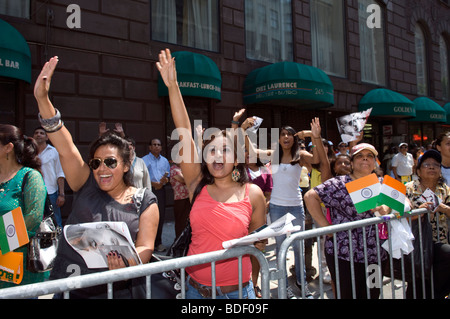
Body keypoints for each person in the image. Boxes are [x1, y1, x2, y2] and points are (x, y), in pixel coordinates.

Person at [33, 56, 159, 298]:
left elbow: (146, 246)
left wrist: (128, 264)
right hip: (71, 287)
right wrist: (42, 99)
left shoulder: (145, 201)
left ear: (125, 165)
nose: (102, 168)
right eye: (96, 162)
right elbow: (65, 145)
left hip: (118, 290)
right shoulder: (84, 182)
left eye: (110, 162)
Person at [157, 48, 266, 299]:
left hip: (238, 295)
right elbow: (183, 130)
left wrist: (260, 243)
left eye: (225, 150)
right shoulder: (197, 185)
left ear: (237, 159)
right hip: (195, 293)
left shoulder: (254, 194)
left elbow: (260, 241)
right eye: (212, 150)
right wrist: (173, 86)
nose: (217, 155)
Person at [244, 118, 325, 299]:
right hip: (277, 208)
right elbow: (251, 150)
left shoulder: (301, 155)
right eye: (283, 134)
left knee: (299, 248)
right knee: (281, 249)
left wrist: (314, 136)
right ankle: (284, 288)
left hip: (296, 207)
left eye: (289, 134)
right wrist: (244, 130)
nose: (286, 137)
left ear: (294, 138)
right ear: (279, 139)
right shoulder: (272, 155)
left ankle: (302, 284)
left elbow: (318, 159)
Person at [304, 143, 392, 299]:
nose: (365, 158)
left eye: (370, 156)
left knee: (372, 294)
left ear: (375, 162)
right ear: (352, 162)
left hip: (376, 254)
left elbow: (404, 202)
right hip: (344, 254)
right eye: (360, 156)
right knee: (348, 295)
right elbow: (310, 197)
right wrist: (327, 228)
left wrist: (387, 206)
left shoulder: (382, 183)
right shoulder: (338, 183)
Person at [0, 124, 48, 288]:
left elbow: (33, 219)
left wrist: (1, 242)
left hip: (18, 265)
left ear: (8, 148)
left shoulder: (30, 176)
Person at [404, 149, 450, 299]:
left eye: (436, 165)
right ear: (418, 170)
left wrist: (443, 208)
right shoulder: (408, 188)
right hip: (416, 242)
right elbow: (399, 215)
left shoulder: (445, 189)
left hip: (439, 241)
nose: (432, 167)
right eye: (427, 164)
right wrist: (419, 213)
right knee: (417, 283)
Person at [33, 127, 66, 227]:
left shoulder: (54, 152)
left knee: (55, 221)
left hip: (51, 192)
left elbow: (60, 173)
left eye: (42, 133)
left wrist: (61, 194)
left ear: (47, 137)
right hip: (34, 192)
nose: (38, 135)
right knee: (35, 221)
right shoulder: (30, 153)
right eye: (36, 133)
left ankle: (58, 242)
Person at [143, 138, 170, 252]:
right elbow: (143, 177)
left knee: (160, 216)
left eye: (159, 145)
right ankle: (147, 243)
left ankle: (158, 243)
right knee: (148, 217)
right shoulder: (144, 160)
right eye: (154, 144)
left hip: (161, 191)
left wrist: (164, 181)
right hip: (149, 191)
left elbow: (168, 178)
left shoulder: (165, 161)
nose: (156, 146)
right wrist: (154, 184)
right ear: (150, 147)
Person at [169, 161, 190, 238]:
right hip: (179, 198)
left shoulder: (185, 168)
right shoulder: (174, 169)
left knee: (187, 221)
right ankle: (179, 241)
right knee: (180, 221)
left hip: (188, 197)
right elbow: (184, 180)